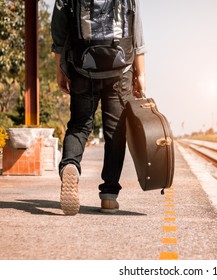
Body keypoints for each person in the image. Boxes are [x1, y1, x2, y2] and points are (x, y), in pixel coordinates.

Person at [51, 0, 146, 215]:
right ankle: (109, 195)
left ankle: (70, 166)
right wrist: (141, 74)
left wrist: (60, 70)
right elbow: (137, 30)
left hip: (82, 65)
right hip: (120, 67)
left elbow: (58, 30)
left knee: (79, 126)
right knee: (115, 132)